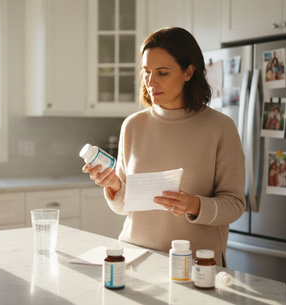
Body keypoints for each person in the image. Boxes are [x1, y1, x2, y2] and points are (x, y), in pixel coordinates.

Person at [82, 27, 245, 267]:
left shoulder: (220, 128)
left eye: (162, 72)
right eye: (146, 71)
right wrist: (114, 185)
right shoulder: (133, 125)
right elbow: (126, 207)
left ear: (188, 72)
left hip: (195, 264)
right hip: (134, 259)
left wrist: (194, 204)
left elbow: (235, 205)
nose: (150, 81)